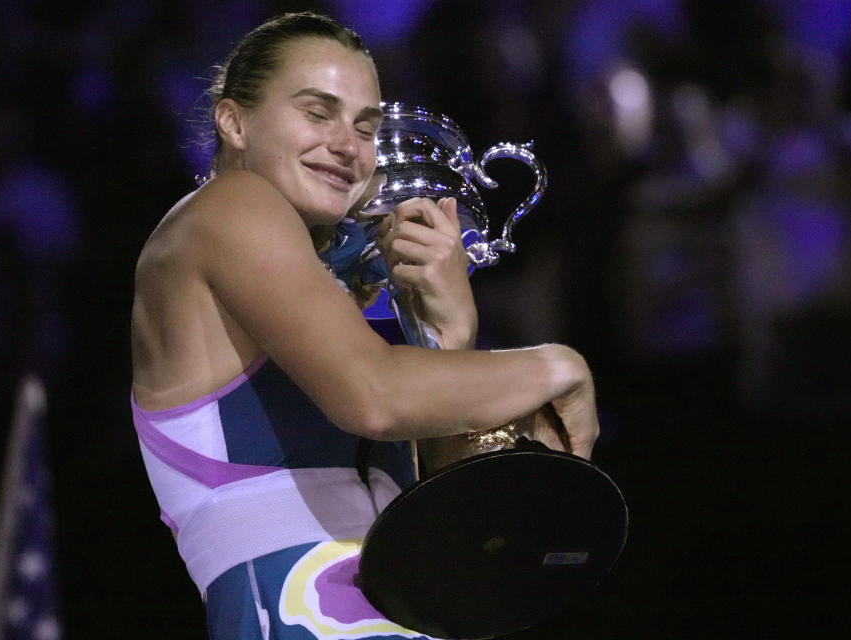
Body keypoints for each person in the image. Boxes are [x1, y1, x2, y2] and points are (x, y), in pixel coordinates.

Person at [130, 11, 599, 640]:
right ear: (234, 121)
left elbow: (471, 522)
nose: (348, 145)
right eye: (317, 113)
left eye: (366, 126)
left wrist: (449, 334)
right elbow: (372, 397)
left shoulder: (348, 282)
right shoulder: (228, 206)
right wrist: (559, 366)